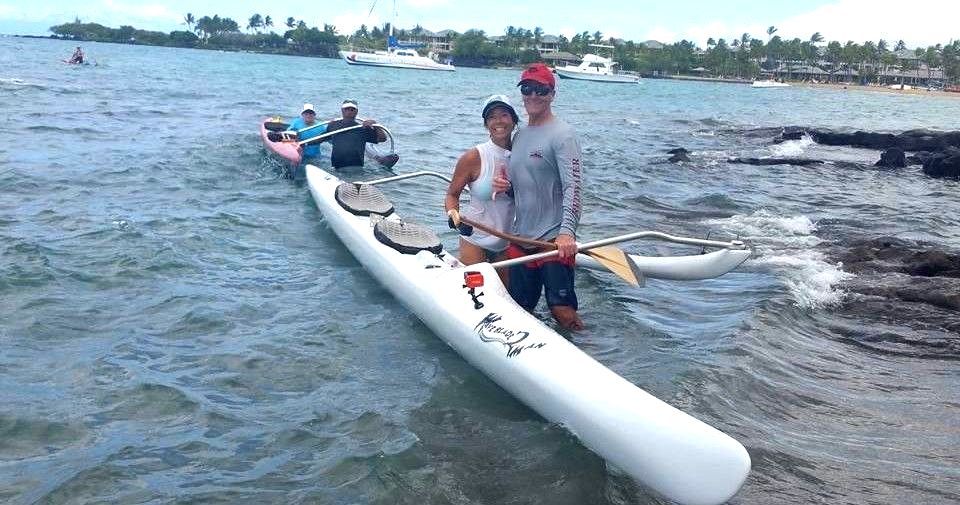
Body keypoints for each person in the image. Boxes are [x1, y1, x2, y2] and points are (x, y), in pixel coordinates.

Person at [493, 63, 584, 330]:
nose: (533, 96)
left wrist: (567, 232)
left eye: (541, 91)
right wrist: (506, 187)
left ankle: (590, 353)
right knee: (521, 309)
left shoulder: (563, 135)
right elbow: (528, 185)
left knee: (562, 312)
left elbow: (574, 187)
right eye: (527, 89)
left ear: (552, 94)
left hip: (553, 241)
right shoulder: (519, 136)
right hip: (522, 239)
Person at [444, 95, 519, 279]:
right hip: (475, 239)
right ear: (486, 125)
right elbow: (452, 195)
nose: (498, 121)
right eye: (491, 117)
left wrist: (511, 189)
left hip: (507, 243)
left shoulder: (523, 155)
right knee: (477, 295)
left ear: (514, 121)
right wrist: (453, 213)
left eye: (504, 115)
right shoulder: (474, 156)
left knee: (508, 298)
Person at [321, 100, 388, 169]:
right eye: (346, 109)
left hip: (357, 168)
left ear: (356, 111)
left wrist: (375, 125)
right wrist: (309, 142)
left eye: (352, 109)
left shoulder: (363, 128)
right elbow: (321, 138)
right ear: (342, 110)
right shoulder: (333, 125)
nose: (349, 111)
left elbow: (382, 139)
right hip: (336, 168)